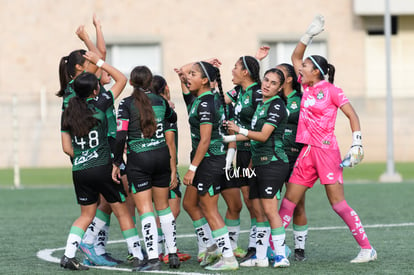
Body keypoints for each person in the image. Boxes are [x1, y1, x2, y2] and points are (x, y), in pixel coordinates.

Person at [278, 15, 377, 263]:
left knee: (338, 204)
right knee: (288, 201)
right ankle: (275, 248)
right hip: (307, 152)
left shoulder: (332, 91)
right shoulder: (306, 87)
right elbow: (295, 58)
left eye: (307, 67)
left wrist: (357, 143)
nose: (301, 69)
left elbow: (352, 115)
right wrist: (308, 36)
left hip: (327, 152)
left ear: (317, 72)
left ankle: (367, 249)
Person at [59, 52, 145, 270]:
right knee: (122, 210)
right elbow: (122, 80)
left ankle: (69, 255)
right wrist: (99, 61)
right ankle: (136, 254)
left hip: (79, 169)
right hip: (102, 166)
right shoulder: (101, 104)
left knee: (86, 215)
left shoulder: (68, 112)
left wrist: (82, 156)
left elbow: (66, 148)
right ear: (96, 90)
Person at [111, 66, 180, 271]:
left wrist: (116, 162)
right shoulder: (160, 101)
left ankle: (152, 259)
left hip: (139, 161)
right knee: (164, 208)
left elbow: (121, 135)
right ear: (150, 82)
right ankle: (173, 254)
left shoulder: (126, 103)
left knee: (145, 210)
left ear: (131, 83)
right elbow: (173, 118)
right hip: (161, 158)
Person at [223, 68, 290, 268]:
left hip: (273, 163)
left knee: (270, 210)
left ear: (279, 88)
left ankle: (280, 255)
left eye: (273, 83)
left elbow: (262, 136)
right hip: (258, 163)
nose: (267, 85)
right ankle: (260, 256)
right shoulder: (262, 103)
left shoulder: (276, 106)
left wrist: (239, 129)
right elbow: (251, 133)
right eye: (266, 80)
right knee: (259, 211)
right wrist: (229, 137)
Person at [179, 61, 239, 271]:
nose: (188, 76)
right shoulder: (203, 98)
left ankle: (228, 258)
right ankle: (212, 246)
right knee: (191, 203)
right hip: (210, 159)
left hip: (209, 160)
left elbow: (205, 140)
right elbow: (184, 75)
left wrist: (192, 168)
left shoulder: (206, 103)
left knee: (210, 209)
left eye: (193, 74)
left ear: (205, 80)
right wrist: (186, 73)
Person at [223, 55, 263, 262]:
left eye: (236, 67)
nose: (232, 70)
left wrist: (252, 159)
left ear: (245, 72)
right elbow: (221, 100)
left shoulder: (257, 93)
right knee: (249, 201)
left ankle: (257, 247)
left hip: (252, 152)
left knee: (254, 202)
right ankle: (254, 246)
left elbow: (260, 127)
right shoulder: (239, 91)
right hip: (240, 152)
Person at [151, 75, 191, 264]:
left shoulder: (146, 108)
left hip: (147, 164)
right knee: (170, 210)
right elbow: (170, 144)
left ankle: (162, 250)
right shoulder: (166, 110)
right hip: (164, 165)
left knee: (163, 209)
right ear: (166, 88)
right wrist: (173, 170)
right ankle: (164, 250)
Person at [276, 63, 307, 261]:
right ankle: (275, 246)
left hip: (296, 155)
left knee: (297, 204)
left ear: (288, 79)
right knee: (268, 203)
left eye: (280, 73)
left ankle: (300, 249)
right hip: (275, 155)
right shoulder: (271, 99)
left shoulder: (302, 98)